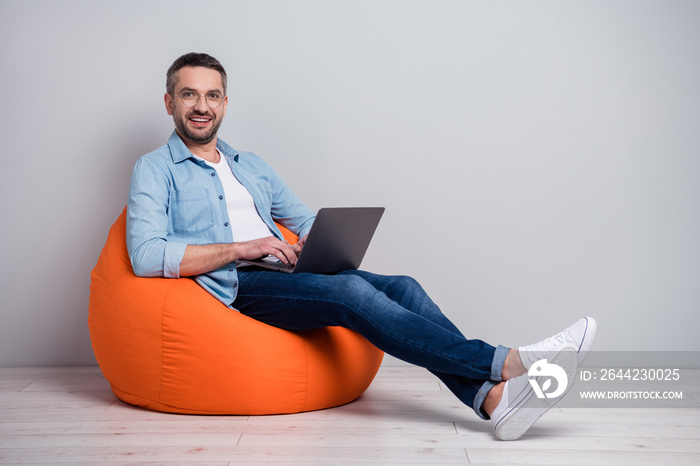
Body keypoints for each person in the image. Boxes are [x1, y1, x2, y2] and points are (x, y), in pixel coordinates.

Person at [127, 52, 597, 440]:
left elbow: (302, 216)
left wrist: (314, 237)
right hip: (237, 286)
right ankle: (507, 362)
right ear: (170, 102)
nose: (201, 105)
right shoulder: (154, 168)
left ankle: (493, 401)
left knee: (405, 286)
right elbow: (146, 254)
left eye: (211, 95)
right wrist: (243, 248)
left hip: (284, 271)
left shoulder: (249, 164)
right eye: (189, 94)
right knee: (350, 295)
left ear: (226, 103)